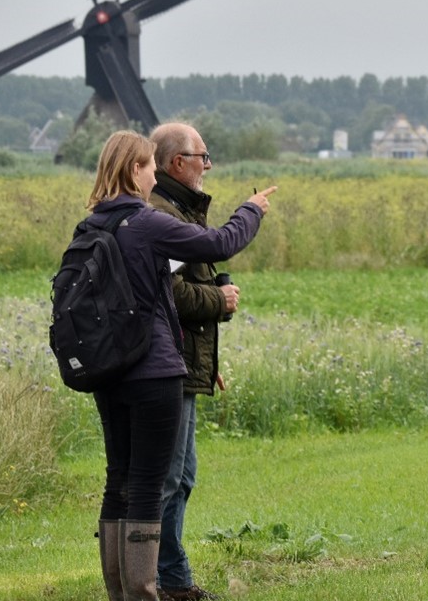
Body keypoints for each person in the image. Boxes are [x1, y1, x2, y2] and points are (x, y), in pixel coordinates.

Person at [87, 130, 275, 601]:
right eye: (148, 165)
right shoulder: (149, 221)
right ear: (137, 170)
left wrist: (200, 358)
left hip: (109, 367)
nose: (152, 173)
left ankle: (125, 592)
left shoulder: (92, 224)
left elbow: (149, 297)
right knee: (156, 483)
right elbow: (217, 245)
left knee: (122, 481)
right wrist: (251, 211)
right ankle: (156, 588)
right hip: (152, 372)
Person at [147, 122, 236, 601]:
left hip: (182, 359)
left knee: (181, 476)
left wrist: (209, 358)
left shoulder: (178, 209)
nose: (206, 165)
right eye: (203, 156)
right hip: (167, 364)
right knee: (168, 478)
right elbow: (172, 294)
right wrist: (219, 299)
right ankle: (168, 579)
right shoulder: (164, 214)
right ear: (177, 162)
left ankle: (167, 575)